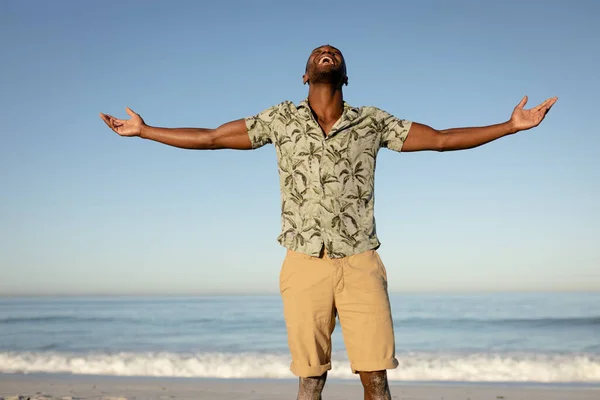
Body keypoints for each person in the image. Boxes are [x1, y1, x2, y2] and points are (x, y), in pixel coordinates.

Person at [100, 45, 557, 400]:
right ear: (305, 74)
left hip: (360, 261)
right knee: (309, 380)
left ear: (344, 75)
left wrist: (509, 126)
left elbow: (439, 140)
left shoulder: (371, 122)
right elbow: (214, 138)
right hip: (303, 262)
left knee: (375, 378)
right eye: (319, 52)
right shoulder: (280, 119)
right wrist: (146, 130)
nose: (327, 53)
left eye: (335, 53)